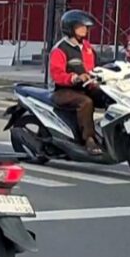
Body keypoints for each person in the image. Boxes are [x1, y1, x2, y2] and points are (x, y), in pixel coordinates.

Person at [49, 10, 105, 154]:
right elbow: (57, 74)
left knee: (108, 97)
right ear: (70, 28)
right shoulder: (60, 49)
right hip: (64, 91)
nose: (85, 30)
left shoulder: (87, 47)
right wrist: (75, 78)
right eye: (81, 26)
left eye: (86, 27)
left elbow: (99, 66)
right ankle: (89, 139)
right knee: (86, 102)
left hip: (86, 87)